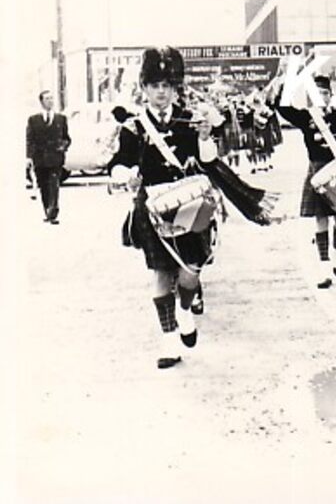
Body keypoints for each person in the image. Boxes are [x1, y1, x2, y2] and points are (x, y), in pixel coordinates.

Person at [109, 47, 278, 368]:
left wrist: (204, 137)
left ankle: (185, 309)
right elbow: (118, 162)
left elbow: (207, 160)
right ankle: (169, 341)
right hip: (154, 207)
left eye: (166, 86)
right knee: (161, 272)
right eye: (155, 86)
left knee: (191, 270)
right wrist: (126, 174)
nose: (161, 92)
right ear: (144, 88)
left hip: (191, 203)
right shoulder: (134, 127)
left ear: (175, 88)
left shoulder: (190, 121)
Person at [268, 71, 336, 289]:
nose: (322, 97)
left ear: (330, 96)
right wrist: (283, 80)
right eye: (317, 93)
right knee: (321, 220)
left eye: (325, 93)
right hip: (317, 172)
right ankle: (324, 268)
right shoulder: (306, 117)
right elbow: (281, 107)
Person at [26, 90, 70, 225]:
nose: (50, 101)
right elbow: (30, 139)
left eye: (51, 98)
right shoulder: (33, 120)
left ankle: (53, 212)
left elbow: (67, 138)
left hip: (55, 158)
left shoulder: (61, 119)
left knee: (54, 185)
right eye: (47, 99)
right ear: (41, 102)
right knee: (44, 186)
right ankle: (47, 210)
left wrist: (63, 146)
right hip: (40, 158)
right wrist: (29, 157)